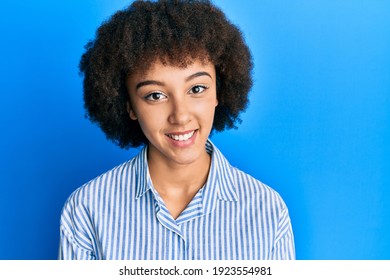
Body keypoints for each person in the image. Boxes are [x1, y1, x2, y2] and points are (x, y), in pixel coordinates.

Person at [59, 0, 295, 260]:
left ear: (220, 91)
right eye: (156, 95)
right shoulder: (87, 209)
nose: (180, 116)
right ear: (129, 106)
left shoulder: (267, 211)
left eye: (196, 89)